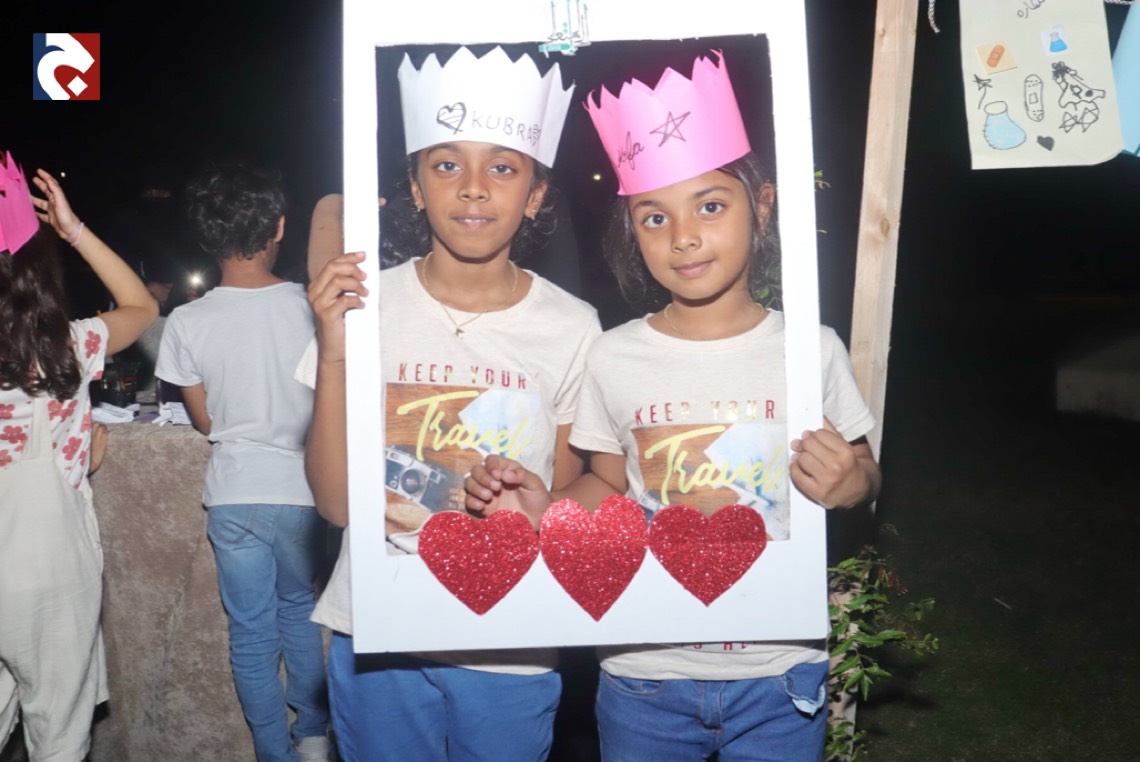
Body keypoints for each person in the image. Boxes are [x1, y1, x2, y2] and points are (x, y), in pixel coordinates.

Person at [464, 52, 882, 761]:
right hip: (644, 670)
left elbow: (865, 472)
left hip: (780, 669)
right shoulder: (613, 355)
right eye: (654, 217)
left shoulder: (811, 350)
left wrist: (853, 482)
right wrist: (548, 507)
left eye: (710, 206)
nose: (683, 236)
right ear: (633, 231)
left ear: (763, 206)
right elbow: (608, 482)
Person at [303, 46, 601, 761]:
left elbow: (561, 496)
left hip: (510, 638)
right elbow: (337, 505)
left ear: (535, 194)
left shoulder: (572, 327)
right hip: (377, 631)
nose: (472, 188)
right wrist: (336, 351)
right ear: (414, 186)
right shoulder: (364, 305)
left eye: (502, 168)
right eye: (445, 165)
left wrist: (538, 507)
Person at [155, 164, 330, 762]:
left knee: (252, 633)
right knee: (301, 614)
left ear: (206, 237)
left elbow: (205, 421)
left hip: (234, 492)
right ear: (279, 227)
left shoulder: (187, 320)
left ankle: (273, 752)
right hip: (305, 491)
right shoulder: (312, 307)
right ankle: (314, 736)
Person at [0, 154, 158, 761]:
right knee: (59, 738)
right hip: (47, 575)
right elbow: (141, 306)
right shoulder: (70, 346)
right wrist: (74, 231)